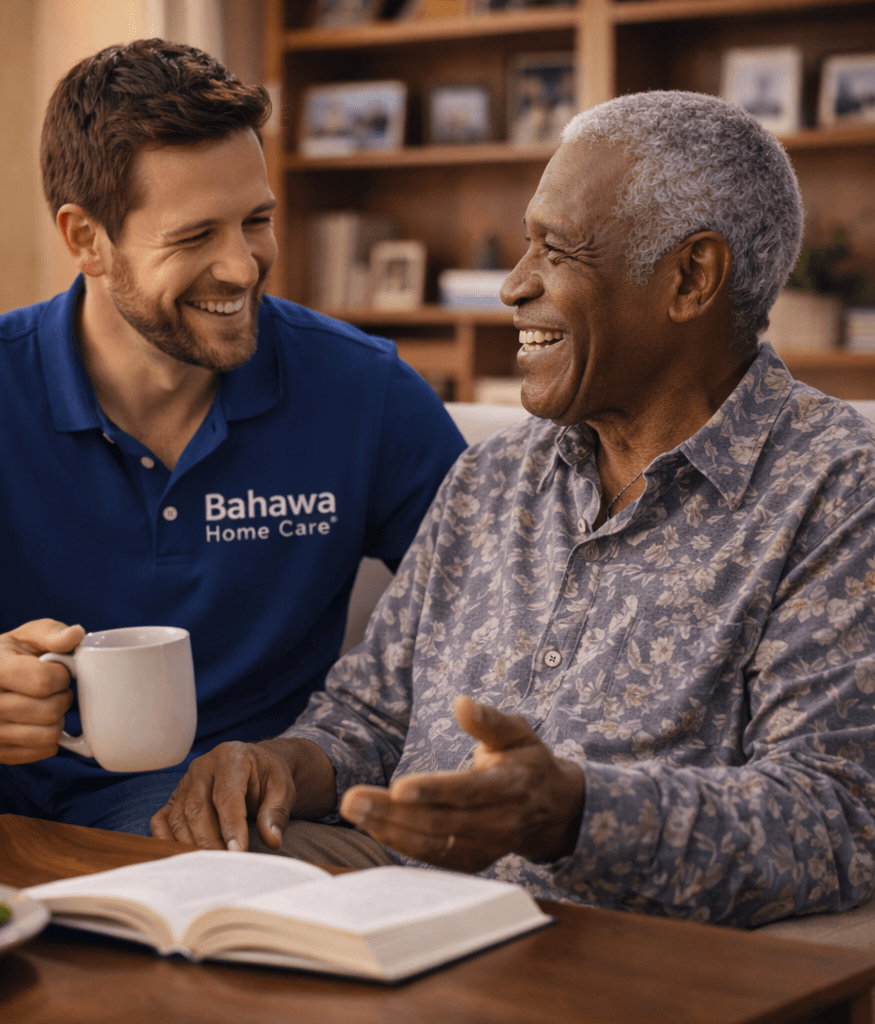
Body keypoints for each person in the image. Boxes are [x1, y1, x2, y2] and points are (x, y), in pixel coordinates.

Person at [163, 90, 875, 929]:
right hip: (398, 894)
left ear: (690, 278)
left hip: (618, 934)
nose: (512, 284)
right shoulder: (493, 475)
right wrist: (279, 763)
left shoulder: (838, 493)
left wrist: (573, 815)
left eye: (557, 251)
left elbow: (833, 822)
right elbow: (368, 716)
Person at [0, 40, 465, 839]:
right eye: (194, 237)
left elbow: (500, 608)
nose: (242, 267)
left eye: (256, 221)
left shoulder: (366, 390)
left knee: (194, 851)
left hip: (197, 789)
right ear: (86, 241)